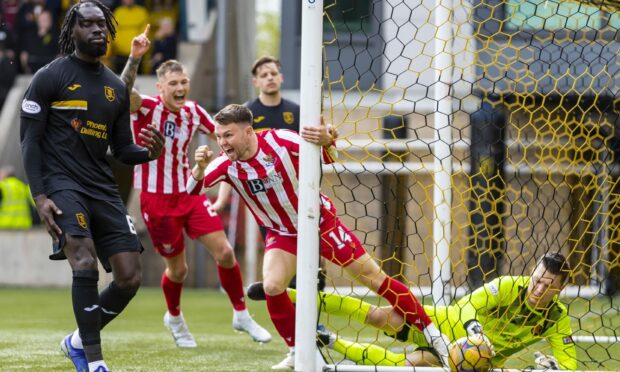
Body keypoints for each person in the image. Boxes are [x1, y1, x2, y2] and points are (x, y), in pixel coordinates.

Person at [186, 104, 451, 370]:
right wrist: (199, 167)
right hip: (283, 234)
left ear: (247, 131)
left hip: (320, 224)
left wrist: (328, 140)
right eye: (219, 136)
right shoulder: (223, 164)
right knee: (272, 286)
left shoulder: (281, 141)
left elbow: (327, 157)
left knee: (374, 279)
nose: (222, 142)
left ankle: (434, 336)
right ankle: (299, 352)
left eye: (228, 135)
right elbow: (191, 190)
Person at [19, 2, 165, 372]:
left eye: (102, 24)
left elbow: (122, 149)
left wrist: (149, 152)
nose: (98, 30)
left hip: (102, 188)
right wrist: (40, 196)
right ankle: (94, 361)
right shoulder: (50, 77)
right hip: (61, 183)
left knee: (131, 277)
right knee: (83, 262)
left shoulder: (115, 87)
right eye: (88, 25)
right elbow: (29, 142)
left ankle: (75, 341)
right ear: (73, 32)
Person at [120, 27, 272, 348]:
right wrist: (135, 58)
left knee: (226, 252)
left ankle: (241, 314)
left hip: (189, 193)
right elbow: (122, 91)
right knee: (179, 270)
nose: (180, 87)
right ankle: (174, 316)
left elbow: (224, 128)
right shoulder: (145, 107)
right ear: (160, 87)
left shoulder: (193, 112)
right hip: (156, 200)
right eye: (173, 83)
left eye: (184, 82)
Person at [247, 252, 577, 370]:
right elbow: (470, 307)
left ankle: (330, 341)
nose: (538, 289)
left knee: (408, 366)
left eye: (547, 286)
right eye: (537, 280)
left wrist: (560, 370)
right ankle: (287, 293)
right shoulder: (509, 285)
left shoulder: (556, 317)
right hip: (441, 323)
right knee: (379, 317)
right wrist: (475, 330)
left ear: (560, 288)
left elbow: (568, 359)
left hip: (471, 361)